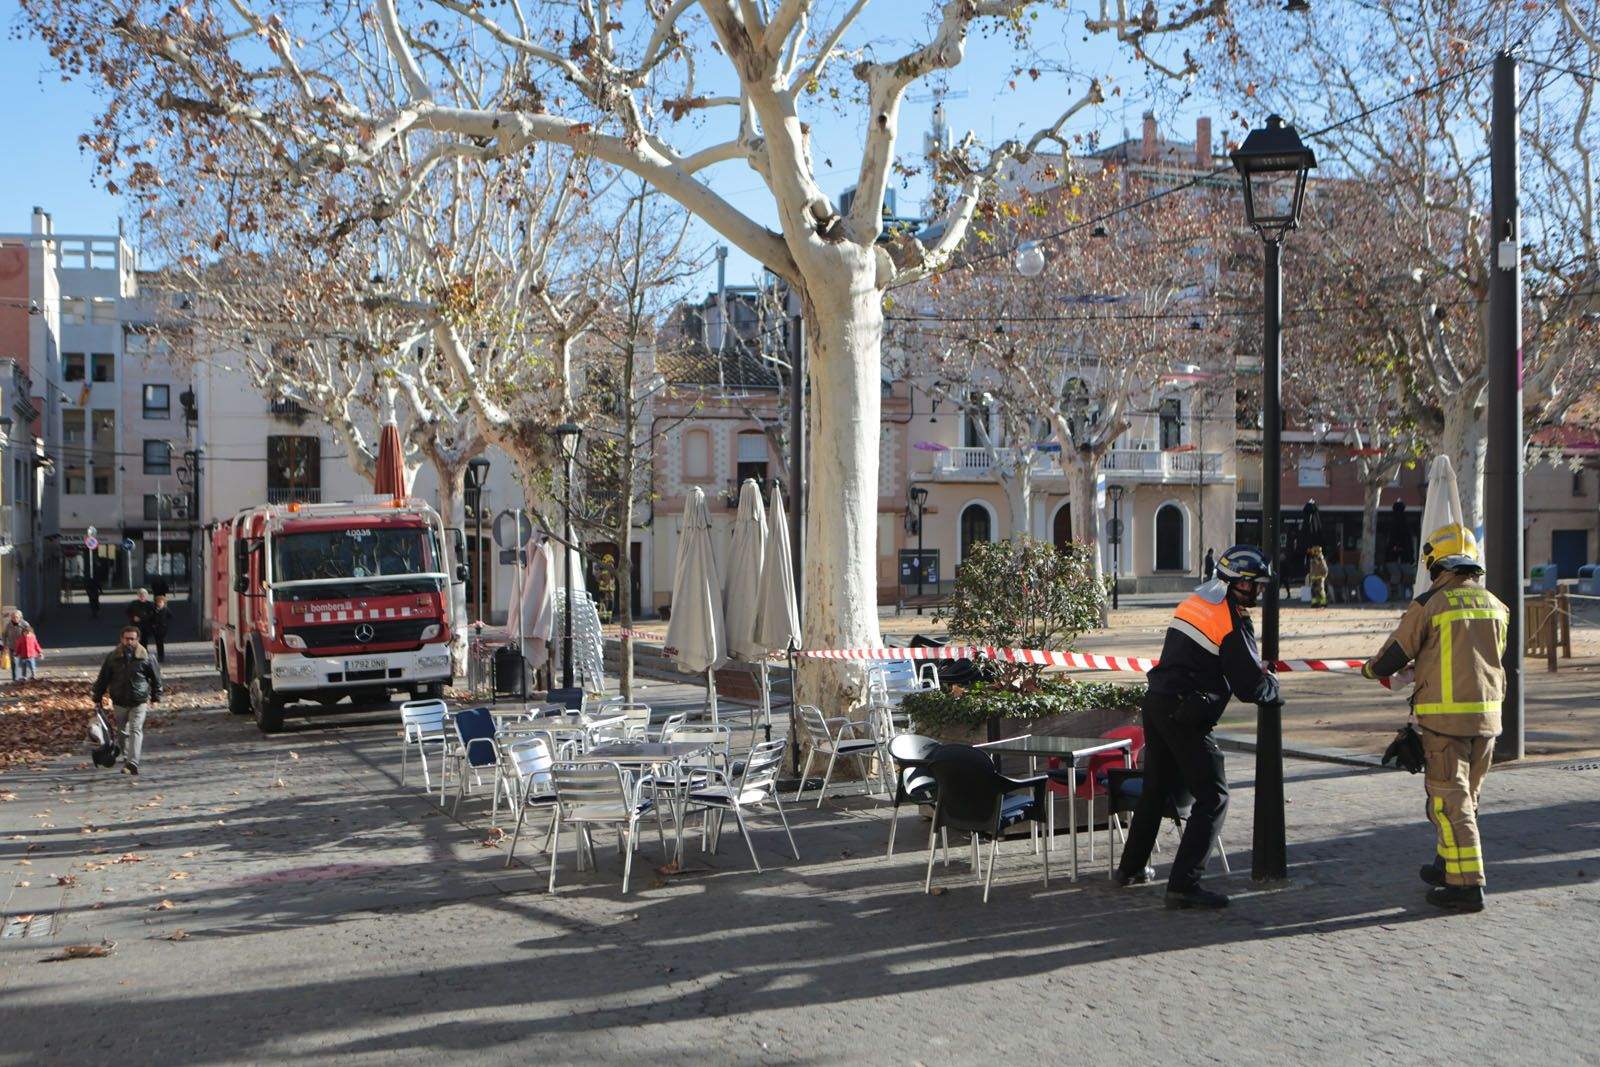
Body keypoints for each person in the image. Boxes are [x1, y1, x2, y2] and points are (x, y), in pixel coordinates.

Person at [1114, 544, 1281, 909]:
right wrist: (1273, 688)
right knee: (1214, 796)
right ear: (1239, 584)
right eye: (1256, 586)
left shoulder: (1197, 600)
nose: (1259, 593)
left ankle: (1129, 869)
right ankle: (1183, 885)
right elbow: (1250, 686)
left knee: (1155, 790)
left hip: (1157, 701)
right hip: (1186, 711)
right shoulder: (1231, 620)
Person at [1362, 523, 1506, 913]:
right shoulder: (1496, 605)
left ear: (1436, 562)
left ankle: (1467, 885)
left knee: (1447, 802)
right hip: (1488, 719)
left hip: (1444, 722)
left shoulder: (1431, 603)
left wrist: (1369, 671)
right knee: (1467, 798)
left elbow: (1394, 653)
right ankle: (1447, 865)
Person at [91, 625, 162, 776]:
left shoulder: (146, 657)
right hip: (119, 700)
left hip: (139, 700)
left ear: (138, 640)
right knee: (122, 733)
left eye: (132, 639)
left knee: (136, 729)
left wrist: (156, 696)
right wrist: (97, 696)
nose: (129, 641)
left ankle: (132, 762)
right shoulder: (112, 657)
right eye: (126, 638)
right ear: (121, 639)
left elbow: (156, 678)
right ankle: (126, 756)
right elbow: (103, 678)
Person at [145, 593, 173, 664]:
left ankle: (161, 656)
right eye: (158, 602)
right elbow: (150, 618)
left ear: (164, 603)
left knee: (160, 642)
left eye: (161, 602)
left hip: (162, 628)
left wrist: (165, 623)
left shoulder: (166, 609)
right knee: (149, 640)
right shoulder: (154, 610)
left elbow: (170, 616)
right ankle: (146, 654)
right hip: (154, 628)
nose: (159, 604)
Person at [3, 609, 26, 681]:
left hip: (22, 646)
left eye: (16, 617)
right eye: (13, 617)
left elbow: (31, 634)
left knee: (23, 661)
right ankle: (14, 678)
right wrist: (5, 645)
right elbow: (4, 635)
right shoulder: (8, 625)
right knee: (13, 662)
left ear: (20, 617)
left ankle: (23, 676)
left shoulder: (24, 624)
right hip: (12, 646)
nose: (14, 619)